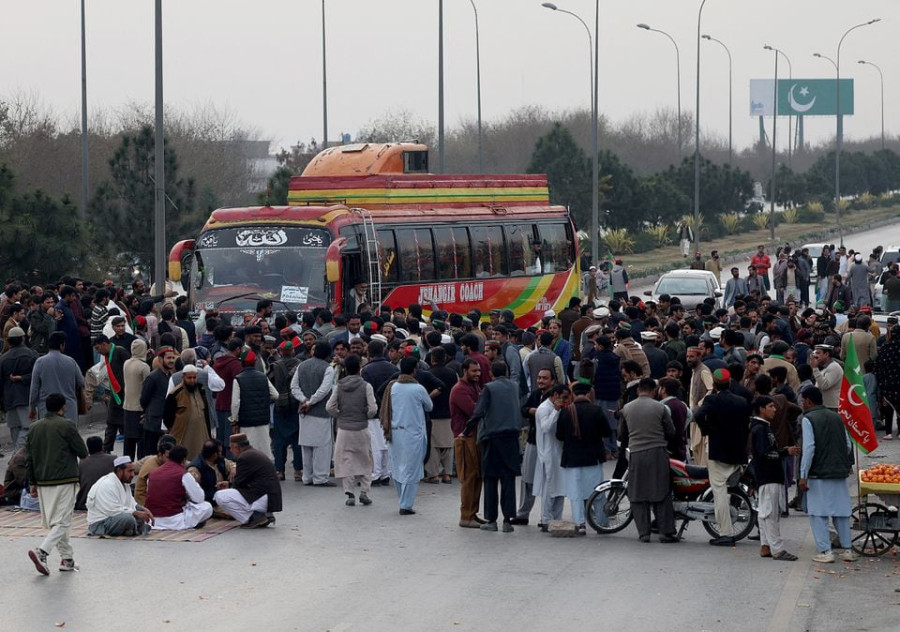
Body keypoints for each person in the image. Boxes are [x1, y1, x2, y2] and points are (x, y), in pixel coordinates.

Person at [25, 393, 89, 575]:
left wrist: (32, 483)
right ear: (64, 407)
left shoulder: (34, 428)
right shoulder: (66, 425)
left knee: (59, 522)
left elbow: (29, 458)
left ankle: (67, 559)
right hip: (65, 480)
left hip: (43, 481)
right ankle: (42, 551)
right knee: (62, 521)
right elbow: (83, 452)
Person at [798, 387, 857, 563]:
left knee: (818, 513)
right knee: (841, 511)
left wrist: (803, 474)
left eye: (803, 400)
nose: (802, 404)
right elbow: (847, 445)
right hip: (839, 472)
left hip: (818, 473)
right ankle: (847, 550)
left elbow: (809, 448)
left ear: (808, 401)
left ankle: (825, 551)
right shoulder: (838, 417)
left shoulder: (808, 419)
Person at [463, 361, 522, 532]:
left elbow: (479, 412)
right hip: (511, 438)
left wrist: (466, 430)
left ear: (491, 373)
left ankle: (491, 519)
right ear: (507, 372)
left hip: (492, 438)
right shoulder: (514, 387)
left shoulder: (488, 388)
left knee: (490, 479)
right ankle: (507, 521)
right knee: (508, 480)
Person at [694, 368, 750, 546]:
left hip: (719, 454)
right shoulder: (742, 401)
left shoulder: (712, 400)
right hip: (739, 453)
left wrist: (707, 430)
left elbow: (698, 415)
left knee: (719, 492)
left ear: (715, 385)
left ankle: (726, 533)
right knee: (730, 488)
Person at [618, 378, 678, 543]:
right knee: (661, 492)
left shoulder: (627, 408)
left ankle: (644, 533)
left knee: (637, 494)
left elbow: (621, 435)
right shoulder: (660, 407)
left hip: (636, 454)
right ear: (654, 390)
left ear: (638, 390)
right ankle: (665, 532)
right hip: (658, 452)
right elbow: (671, 431)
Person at [749, 396, 800, 561]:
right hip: (769, 475)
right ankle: (777, 549)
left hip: (766, 475)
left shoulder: (762, 427)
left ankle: (765, 546)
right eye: (771, 406)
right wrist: (785, 452)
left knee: (764, 512)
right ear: (761, 409)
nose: (775, 409)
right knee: (771, 513)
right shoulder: (760, 429)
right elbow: (765, 454)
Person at [556, 381, 611, 535]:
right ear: (588, 394)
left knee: (576, 493)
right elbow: (607, 432)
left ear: (573, 395)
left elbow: (559, 436)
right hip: (593, 458)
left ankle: (580, 524)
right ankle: (602, 523)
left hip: (572, 459)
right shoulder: (597, 410)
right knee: (598, 491)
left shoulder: (566, 412)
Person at [381, 357, 433, 514]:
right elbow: (429, 406)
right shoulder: (418, 389)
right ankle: (405, 504)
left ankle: (402, 499)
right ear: (414, 371)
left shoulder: (393, 387)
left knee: (397, 467)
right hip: (413, 434)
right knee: (412, 469)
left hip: (395, 431)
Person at [326, 354, 378, 507]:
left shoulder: (339, 386)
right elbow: (373, 409)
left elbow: (329, 407)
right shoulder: (366, 386)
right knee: (366, 459)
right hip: (361, 428)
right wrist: (364, 415)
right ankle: (364, 491)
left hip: (344, 429)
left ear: (345, 369)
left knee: (346, 460)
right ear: (360, 369)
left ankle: (349, 492)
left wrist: (340, 415)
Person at [214, 433, 282, 528]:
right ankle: (260, 514)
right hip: (268, 496)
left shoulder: (244, 457)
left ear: (236, 447)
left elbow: (239, 483)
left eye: (231, 448)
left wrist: (229, 485)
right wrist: (229, 484)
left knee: (220, 496)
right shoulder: (252, 453)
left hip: (264, 497)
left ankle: (253, 517)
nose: (230, 450)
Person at [291, 341, 335, 485]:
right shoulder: (328, 369)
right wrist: (310, 402)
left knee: (306, 445)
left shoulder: (301, 365)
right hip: (320, 412)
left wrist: (303, 400)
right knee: (322, 446)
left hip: (304, 413)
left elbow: (294, 386)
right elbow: (324, 390)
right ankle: (320, 478)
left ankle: (307, 477)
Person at [145, 444, 214, 530]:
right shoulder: (183, 474)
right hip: (175, 521)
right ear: (184, 460)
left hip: (154, 520)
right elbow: (199, 498)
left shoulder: (152, 473)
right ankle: (192, 524)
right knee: (207, 507)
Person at [450, 358, 485, 528]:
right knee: (469, 477)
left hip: (475, 436)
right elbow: (474, 411)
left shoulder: (474, 386)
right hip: (464, 438)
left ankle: (473, 513)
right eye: (474, 371)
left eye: (479, 371)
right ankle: (466, 516)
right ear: (465, 370)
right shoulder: (459, 390)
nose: (478, 374)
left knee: (477, 476)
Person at [86, 456, 154, 537]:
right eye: (129, 471)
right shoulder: (107, 484)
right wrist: (136, 513)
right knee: (128, 519)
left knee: (140, 517)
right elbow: (112, 510)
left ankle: (130, 529)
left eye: (133, 471)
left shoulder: (124, 484)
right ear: (119, 471)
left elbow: (131, 504)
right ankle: (132, 529)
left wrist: (144, 509)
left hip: (115, 517)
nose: (132, 475)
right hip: (100, 523)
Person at [533, 385, 568, 531]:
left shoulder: (557, 408)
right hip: (549, 453)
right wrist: (556, 410)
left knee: (561, 487)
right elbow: (546, 428)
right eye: (564, 397)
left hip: (558, 451)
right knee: (550, 488)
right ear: (555, 395)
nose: (566, 400)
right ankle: (546, 519)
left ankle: (557, 518)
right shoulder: (544, 409)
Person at [29, 331, 84, 423]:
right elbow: (81, 382)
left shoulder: (40, 362)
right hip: (69, 409)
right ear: (62, 345)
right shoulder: (71, 361)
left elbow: (34, 389)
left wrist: (32, 407)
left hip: (46, 410)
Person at [0, 325, 38, 451]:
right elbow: (36, 375)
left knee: (15, 429)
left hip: (9, 399)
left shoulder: (3, 358)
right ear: (22, 338)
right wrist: (23, 378)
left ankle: (18, 459)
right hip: (25, 397)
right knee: (28, 427)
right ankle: (19, 455)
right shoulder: (31, 354)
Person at [164, 364, 212, 460]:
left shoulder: (200, 390)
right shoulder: (175, 394)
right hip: (183, 435)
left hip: (201, 435)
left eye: (194, 377)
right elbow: (167, 418)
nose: (192, 380)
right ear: (183, 377)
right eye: (189, 378)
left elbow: (206, 413)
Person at [139, 346, 177, 458]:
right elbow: (143, 400)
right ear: (160, 360)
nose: (171, 361)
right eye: (168, 358)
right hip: (153, 424)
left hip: (165, 422)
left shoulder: (171, 377)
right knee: (151, 455)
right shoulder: (153, 377)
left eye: (173, 358)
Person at [122, 339, 150, 460]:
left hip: (127, 406)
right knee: (141, 440)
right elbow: (148, 387)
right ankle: (140, 465)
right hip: (139, 407)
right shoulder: (144, 367)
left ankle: (127, 464)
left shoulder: (126, 363)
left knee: (128, 440)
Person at [75, 436, 116, 510]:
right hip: (109, 501)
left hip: (85, 502)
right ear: (102, 447)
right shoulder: (113, 459)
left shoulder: (82, 463)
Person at [134, 434, 176, 507]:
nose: (171, 460)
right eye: (168, 457)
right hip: (147, 507)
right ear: (160, 454)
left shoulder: (153, 458)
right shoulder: (154, 470)